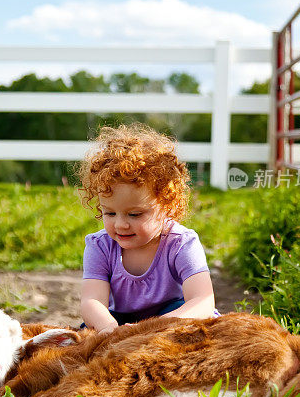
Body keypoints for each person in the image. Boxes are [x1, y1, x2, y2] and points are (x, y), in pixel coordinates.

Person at [78, 123, 219, 333]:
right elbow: (92, 301)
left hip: (172, 317)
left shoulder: (181, 243)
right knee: (86, 334)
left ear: (167, 206)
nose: (120, 224)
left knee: (204, 331)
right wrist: (110, 328)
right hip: (118, 320)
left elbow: (203, 300)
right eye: (110, 213)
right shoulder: (100, 246)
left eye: (135, 214)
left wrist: (148, 328)